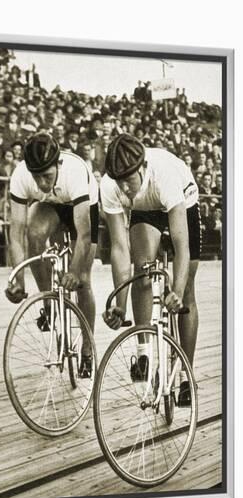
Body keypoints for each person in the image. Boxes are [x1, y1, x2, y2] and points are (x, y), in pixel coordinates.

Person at [100, 134, 201, 406]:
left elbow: (182, 248)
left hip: (182, 200)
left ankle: (184, 374)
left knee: (186, 296)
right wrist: (119, 306)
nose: (124, 187)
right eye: (118, 181)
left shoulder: (164, 175)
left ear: (142, 167)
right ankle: (144, 351)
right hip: (146, 208)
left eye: (128, 180)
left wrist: (177, 292)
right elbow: (120, 249)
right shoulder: (110, 185)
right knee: (142, 268)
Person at [5, 132, 99, 378]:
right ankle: (48, 303)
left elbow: (84, 234)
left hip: (82, 207)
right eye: (36, 177)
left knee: (83, 281)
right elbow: (16, 232)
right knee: (34, 234)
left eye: (46, 176)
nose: (42, 183)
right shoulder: (20, 176)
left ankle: (87, 348)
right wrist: (18, 279)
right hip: (51, 205)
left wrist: (75, 271)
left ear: (58, 165)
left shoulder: (75, 172)